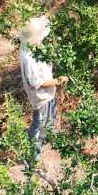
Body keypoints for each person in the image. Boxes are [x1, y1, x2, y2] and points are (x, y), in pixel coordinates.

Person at [18, 15, 67, 162]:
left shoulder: (32, 46)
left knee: (48, 121)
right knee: (39, 126)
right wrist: (57, 81)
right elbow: (35, 82)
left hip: (48, 94)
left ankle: (38, 147)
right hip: (40, 96)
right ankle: (31, 158)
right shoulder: (28, 58)